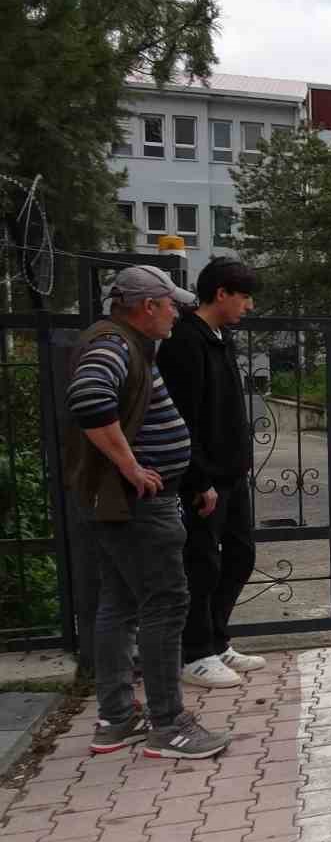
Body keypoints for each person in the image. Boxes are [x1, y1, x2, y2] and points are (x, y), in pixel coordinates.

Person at [66, 265, 230, 759]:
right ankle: (168, 724)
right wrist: (132, 467)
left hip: (124, 503)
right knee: (165, 603)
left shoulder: (124, 343)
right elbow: (89, 399)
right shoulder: (113, 346)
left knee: (119, 603)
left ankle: (117, 718)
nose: (176, 314)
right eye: (170, 305)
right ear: (146, 307)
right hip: (138, 505)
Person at [156, 258, 263, 690]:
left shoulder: (220, 338)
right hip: (204, 481)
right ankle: (195, 654)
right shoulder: (186, 341)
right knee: (201, 564)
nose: (249, 306)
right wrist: (198, 479)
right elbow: (180, 418)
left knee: (240, 557)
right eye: (244, 296)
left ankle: (218, 641)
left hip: (232, 478)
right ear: (221, 293)